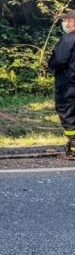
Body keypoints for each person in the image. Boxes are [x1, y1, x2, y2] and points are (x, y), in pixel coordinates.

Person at [48, 9, 75, 158]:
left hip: (68, 85)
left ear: (72, 22)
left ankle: (73, 146)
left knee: (68, 115)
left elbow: (59, 60)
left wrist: (50, 63)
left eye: (66, 20)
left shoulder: (68, 39)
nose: (64, 23)